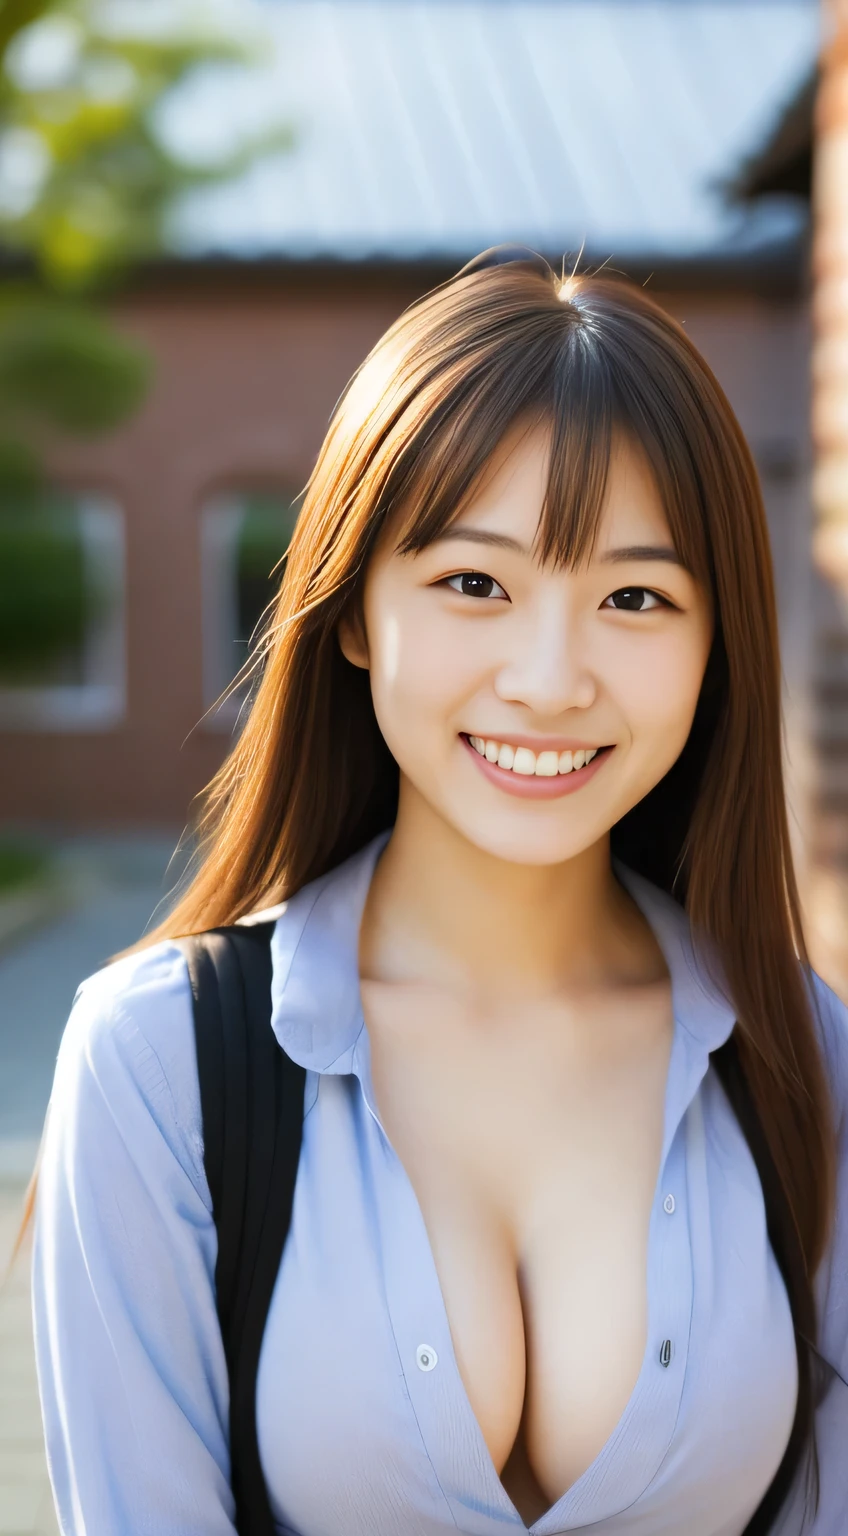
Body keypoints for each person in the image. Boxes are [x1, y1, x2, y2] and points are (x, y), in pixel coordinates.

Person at [27, 248, 848, 1535]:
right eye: (475, 583)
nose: (548, 677)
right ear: (353, 611)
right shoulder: (157, 1066)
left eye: (634, 596)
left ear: (714, 646)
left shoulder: (804, 1058)